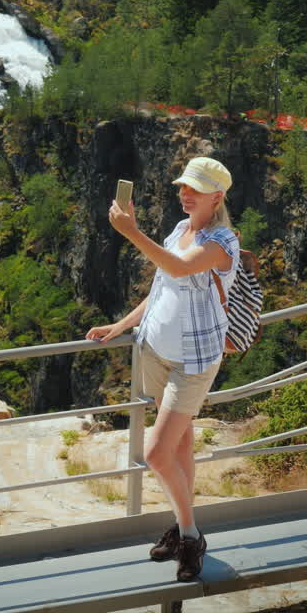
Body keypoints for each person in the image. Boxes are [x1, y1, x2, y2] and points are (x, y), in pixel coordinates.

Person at [84, 156, 239, 582]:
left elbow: (180, 267)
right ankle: (182, 527)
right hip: (155, 351)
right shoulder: (177, 230)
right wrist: (121, 325)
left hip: (192, 362)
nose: (184, 193)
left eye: (195, 188)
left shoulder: (222, 243)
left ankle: (190, 535)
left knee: (154, 453)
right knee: (180, 447)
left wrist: (131, 231)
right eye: (183, 186)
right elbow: (161, 286)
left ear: (217, 197)